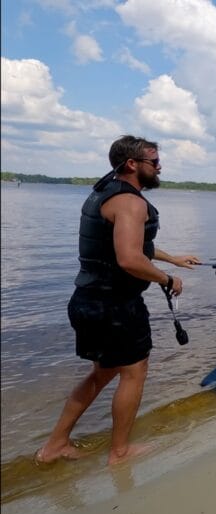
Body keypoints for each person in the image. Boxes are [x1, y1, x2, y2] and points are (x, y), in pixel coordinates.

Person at [35, 135, 200, 466]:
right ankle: (120, 452)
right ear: (132, 164)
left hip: (87, 300)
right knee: (134, 372)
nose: (159, 167)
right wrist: (168, 279)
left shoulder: (103, 194)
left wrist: (172, 259)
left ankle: (54, 445)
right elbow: (128, 259)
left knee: (103, 373)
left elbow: (128, 246)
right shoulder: (131, 203)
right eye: (154, 162)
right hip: (114, 307)